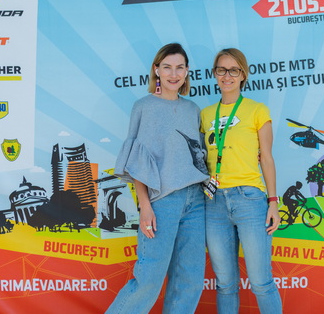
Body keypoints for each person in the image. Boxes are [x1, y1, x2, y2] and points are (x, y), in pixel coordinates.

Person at [106, 43, 209, 314]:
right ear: (156, 70)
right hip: (162, 202)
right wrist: (145, 206)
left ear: (187, 71)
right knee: (149, 280)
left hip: (196, 201)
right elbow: (138, 163)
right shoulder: (144, 107)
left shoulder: (192, 109)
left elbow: (199, 156)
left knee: (189, 281)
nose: (174, 74)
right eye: (167, 67)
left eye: (179, 68)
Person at [200, 48, 282, 313]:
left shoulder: (257, 110)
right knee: (225, 284)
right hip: (213, 203)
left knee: (261, 282)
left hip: (249, 199)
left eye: (233, 70)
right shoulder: (205, 114)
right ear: (215, 74)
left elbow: (266, 158)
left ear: (243, 74)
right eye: (221, 70)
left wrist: (273, 202)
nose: (227, 76)